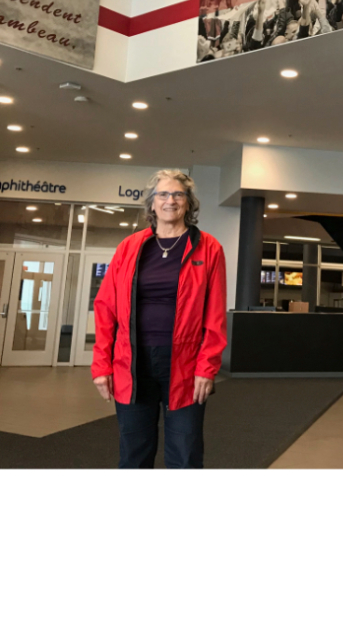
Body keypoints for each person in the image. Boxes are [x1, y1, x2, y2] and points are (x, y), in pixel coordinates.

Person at [91, 169, 227, 469]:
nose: (170, 200)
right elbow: (105, 308)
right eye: (163, 194)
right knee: (133, 455)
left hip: (185, 365)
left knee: (185, 454)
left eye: (178, 194)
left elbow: (215, 315)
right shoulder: (129, 247)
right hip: (132, 363)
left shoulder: (209, 248)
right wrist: (101, 365)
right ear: (152, 203)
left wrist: (207, 367)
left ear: (188, 203)